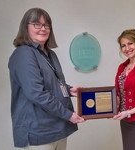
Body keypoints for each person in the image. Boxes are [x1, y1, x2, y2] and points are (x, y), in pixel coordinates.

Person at [8, 8, 85, 150]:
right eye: (37, 24)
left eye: (46, 25)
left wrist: (69, 90)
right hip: (39, 132)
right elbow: (36, 93)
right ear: (26, 27)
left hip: (59, 129)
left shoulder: (50, 54)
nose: (42, 29)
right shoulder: (24, 53)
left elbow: (53, 83)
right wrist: (68, 115)